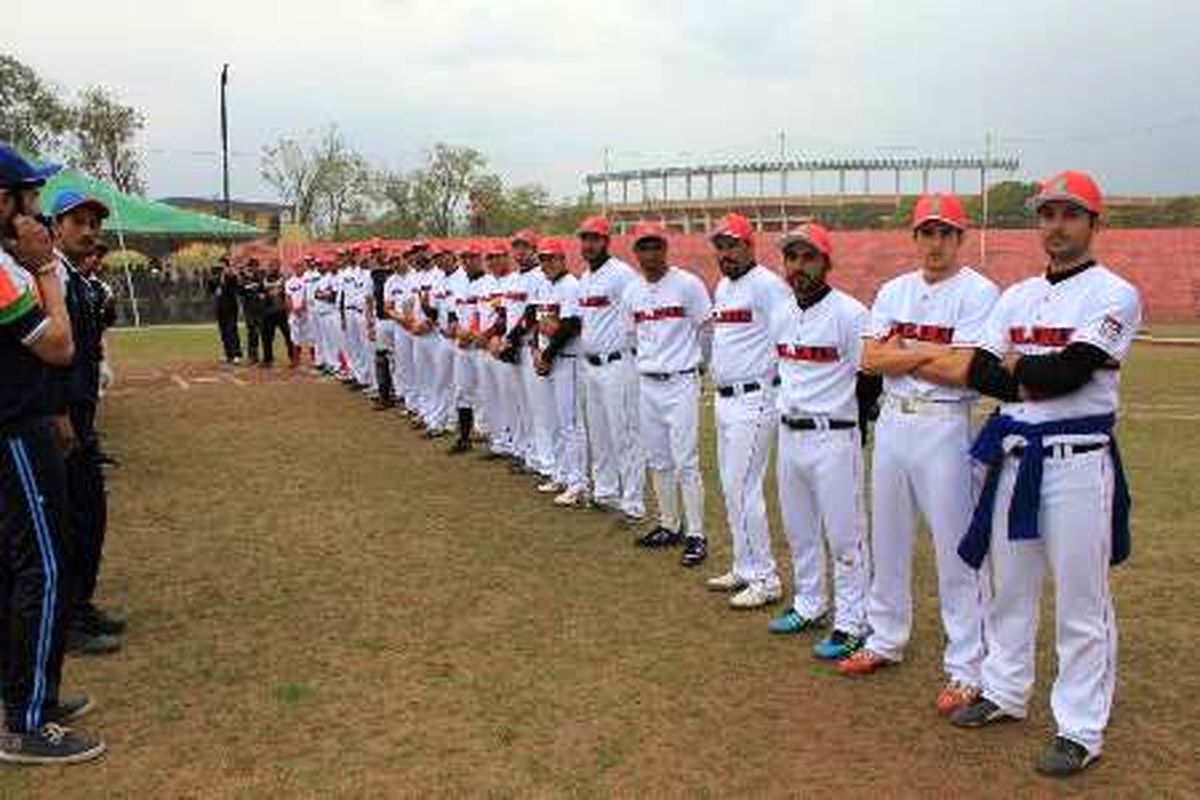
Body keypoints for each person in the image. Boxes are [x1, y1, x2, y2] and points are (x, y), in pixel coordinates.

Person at [900, 171, 1141, 777]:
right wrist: (1022, 368)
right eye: (1047, 214)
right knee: (1009, 587)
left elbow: (1073, 373)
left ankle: (1080, 728)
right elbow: (980, 372)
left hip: (1076, 459)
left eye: (1069, 214)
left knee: (1082, 604)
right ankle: (1005, 692)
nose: (1055, 224)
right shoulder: (1016, 296)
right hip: (1014, 456)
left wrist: (1016, 366)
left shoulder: (1115, 293)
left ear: (1093, 223)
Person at [838, 193, 999, 721]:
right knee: (888, 537)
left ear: (960, 237)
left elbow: (963, 371)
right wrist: (932, 352)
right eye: (926, 233)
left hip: (945, 425)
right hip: (893, 422)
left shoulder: (979, 292)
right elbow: (870, 359)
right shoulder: (893, 289)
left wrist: (905, 353)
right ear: (915, 238)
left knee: (956, 549)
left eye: (945, 233)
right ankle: (886, 637)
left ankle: (968, 666)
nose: (935, 243)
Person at [0, 144, 105, 764]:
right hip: (16, 429)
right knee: (43, 564)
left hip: (17, 425)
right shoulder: (13, 270)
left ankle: (24, 692)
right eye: (28, 199)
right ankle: (26, 718)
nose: (36, 214)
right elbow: (60, 345)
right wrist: (43, 271)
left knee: (19, 565)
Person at [768, 222, 877, 659]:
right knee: (799, 530)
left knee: (845, 536)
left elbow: (868, 375)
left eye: (808, 257)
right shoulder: (780, 310)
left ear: (826, 262)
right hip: (790, 434)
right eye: (792, 257)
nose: (798, 266)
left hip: (833, 436)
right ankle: (810, 603)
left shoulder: (850, 313)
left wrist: (857, 422)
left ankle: (853, 622)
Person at [47, 190, 125, 657]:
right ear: (56, 225)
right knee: (75, 517)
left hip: (82, 412)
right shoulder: (52, 275)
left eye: (94, 222)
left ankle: (82, 604)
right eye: (78, 221)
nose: (89, 229)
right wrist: (58, 412)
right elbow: (52, 354)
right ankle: (71, 615)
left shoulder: (75, 277)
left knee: (90, 515)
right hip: (64, 414)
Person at [705, 212, 791, 605]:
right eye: (720, 246)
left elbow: (787, 337)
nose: (726, 252)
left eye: (732, 244)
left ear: (749, 245)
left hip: (756, 398)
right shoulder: (723, 286)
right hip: (725, 400)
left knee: (744, 487)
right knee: (730, 485)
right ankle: (744, 565)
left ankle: (767, 579)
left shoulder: (768, 286)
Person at [621, 222, 711, 566]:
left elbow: (705, 329)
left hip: (681, 381)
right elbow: (632, 338)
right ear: (636, 252)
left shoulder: (688, 284)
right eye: (643, 247)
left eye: (655, 246)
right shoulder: (632, 291)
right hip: (649, 382)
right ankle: (669, 525)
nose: (650, 254)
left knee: (686, 460)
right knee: (658, 459)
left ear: (665, 248)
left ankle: (696, 534)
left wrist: (699, 365)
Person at [575, 216, 645, 524]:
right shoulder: (585, 277)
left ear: (607, 241)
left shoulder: (621, 274)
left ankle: (633, 502)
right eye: (585, 239)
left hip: (618, 363)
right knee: (599, 432)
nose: (588, 244)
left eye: (595, 238)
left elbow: (638, 315)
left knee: (625, 434)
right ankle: (605, 491)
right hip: (591, 364)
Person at [531, 238, 587, 507]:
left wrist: (547, 355)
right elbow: (536, 322)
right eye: (543, 258)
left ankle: (577, 483)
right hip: (547, 358)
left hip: (567, 360)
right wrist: (535, 351)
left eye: (552, 258)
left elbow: (570, 327)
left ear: (563, 259)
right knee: (553, 420)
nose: (547, 263)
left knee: (570, 423)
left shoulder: (571, 286)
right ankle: (562, 474)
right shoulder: (543, 285)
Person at [207, 255, 242, 364]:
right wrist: (212, 278)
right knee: (223, 332)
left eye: (222, 266)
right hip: (220, 308)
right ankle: (228, 354)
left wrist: (229, 275)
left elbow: (236, 288)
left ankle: (236, 354)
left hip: (231, 307)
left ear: (227, 266)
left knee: (231, 330)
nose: (220, 268)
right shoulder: (216, 277)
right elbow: (210, 290)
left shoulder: (231, 277)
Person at [260, 259, 294, 368]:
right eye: (270, 266)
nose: (271, 268)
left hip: (281, 311)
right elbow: (260, 293)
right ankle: (267, 359)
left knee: (288, 336)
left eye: (274, 266)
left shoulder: (284, 279)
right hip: (268, 312)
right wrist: (264, 296)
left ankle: (293, 357)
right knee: (267, 337)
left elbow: (289, 293)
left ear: (278, 267)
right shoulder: (264, 279)